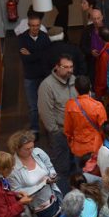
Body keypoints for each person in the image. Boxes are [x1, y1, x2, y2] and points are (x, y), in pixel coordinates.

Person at [38, 54, 78, 188]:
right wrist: (55, 131)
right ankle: (62, 194)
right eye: (65, 67)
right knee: (61, 167)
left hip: (76, 132)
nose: (69, 70)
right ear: (56, 67)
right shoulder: (47, 86)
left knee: (75, 163)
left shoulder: (74, 80)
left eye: (71, 67)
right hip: (59, 133)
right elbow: (45, 112)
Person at [16, 11, 52, 132]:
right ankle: (35, 129)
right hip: (30, 76)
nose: (35, 28)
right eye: (32, 25)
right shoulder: (22, 38)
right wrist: (39, 55)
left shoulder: (44, 37)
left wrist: (32, 54)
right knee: (32, 106)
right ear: (28, 25)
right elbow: (24, 58)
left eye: (37, 25)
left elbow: (47, 56)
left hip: (44, 76)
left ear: (40, 25)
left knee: (47, 104)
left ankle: (48, 128)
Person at [63, 75, 107, 165]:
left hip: (78, 147)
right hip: (95, 145)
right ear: (90, 87)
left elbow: (68, 129)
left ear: (75, 88)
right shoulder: (97, 106)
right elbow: (104, 128)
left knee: (81, 174)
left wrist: (71, 143)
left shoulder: (70, 105)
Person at [80, 7, 109, 82]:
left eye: (98, 18)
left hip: (106, 61)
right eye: (94, 19)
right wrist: (90, 52)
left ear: (102, 17)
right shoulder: (86, 31)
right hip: (92, 62)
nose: (96, 21)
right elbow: (82, 46)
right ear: (91, 19)